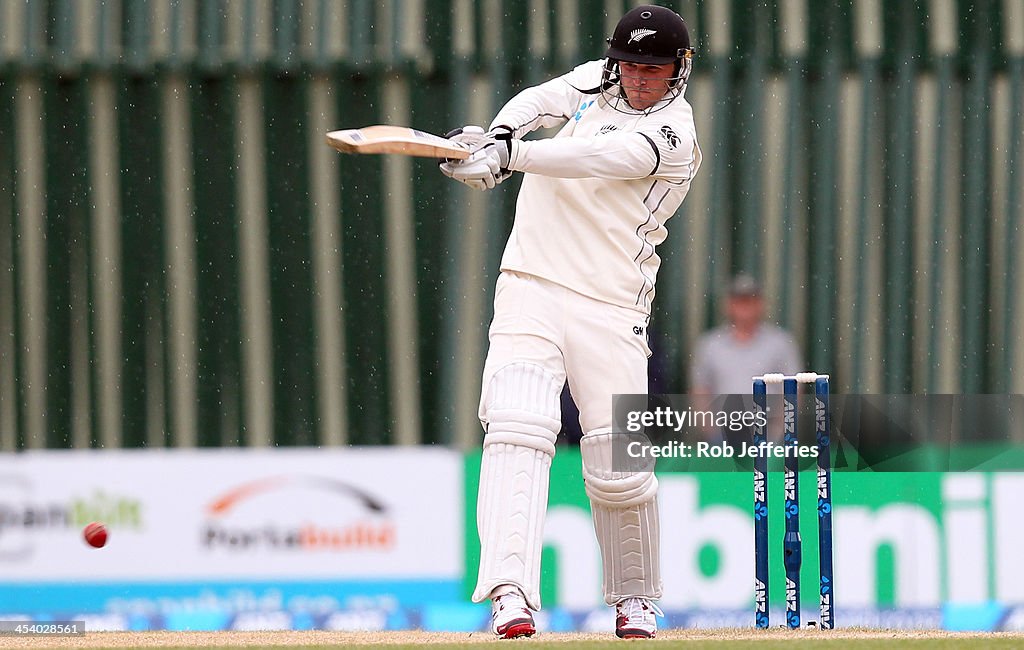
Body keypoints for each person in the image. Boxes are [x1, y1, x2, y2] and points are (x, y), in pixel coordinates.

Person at [439, 5, 701, 639]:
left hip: (611, 305)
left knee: (618, 467)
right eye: (632, 66)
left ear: (678, 71)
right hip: (529, 282)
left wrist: (511, 158)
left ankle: (635, 599)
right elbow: (539, 100)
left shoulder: (673, 134)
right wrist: (496, 135)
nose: (641, 80)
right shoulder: (595, 81)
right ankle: (510, 593)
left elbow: (598, 157)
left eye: (655, 69)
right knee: (515, 426)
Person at [689, 273, 802, 396]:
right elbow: (700, 391)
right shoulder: (710, 345)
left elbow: (793, 390)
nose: (744, 307)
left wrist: (780, 415)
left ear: (760, 304)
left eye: (750, 301)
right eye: (739, 301)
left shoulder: (780, 343)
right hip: (723, 415)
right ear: (728, 305)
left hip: (767, 415)